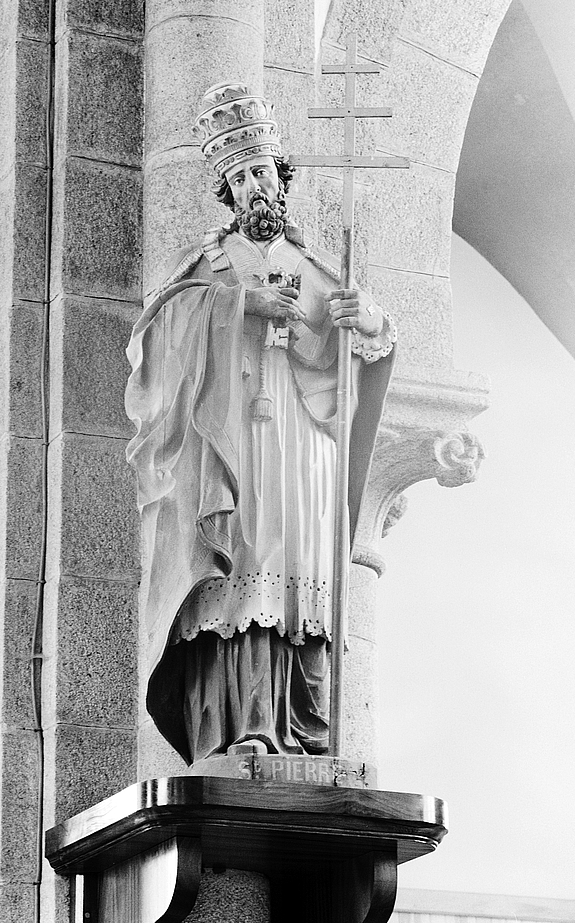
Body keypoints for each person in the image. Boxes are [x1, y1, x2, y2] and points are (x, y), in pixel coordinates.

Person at [125, 82, 396, 766]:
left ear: (282, 179)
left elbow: (365, 352)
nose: (253, 187)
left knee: (296, 571)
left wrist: (363, 322)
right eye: (240, 177)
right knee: (244, 564)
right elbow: (155, 341)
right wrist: (239, 304)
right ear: (229, 191)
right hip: (234, 440)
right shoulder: (209, 270)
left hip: (301, 446)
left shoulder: (312, 266)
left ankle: (303, 728)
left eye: (261, 173)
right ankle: (241, 723)